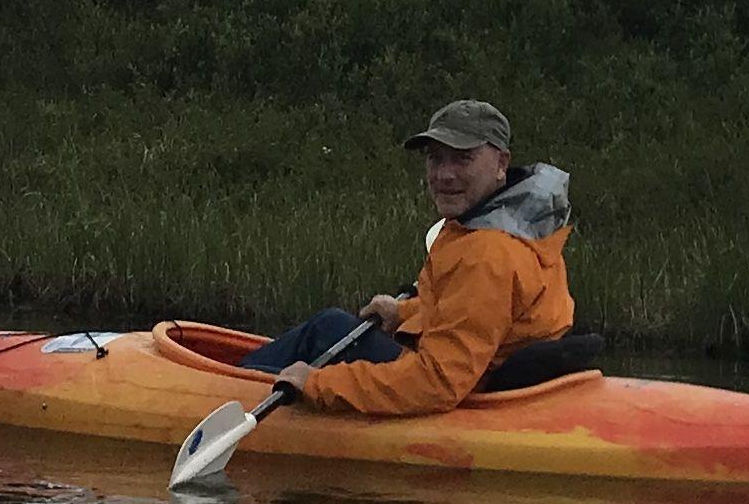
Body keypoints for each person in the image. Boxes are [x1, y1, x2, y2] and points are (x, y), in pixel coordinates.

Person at [244, 99, 590, 418]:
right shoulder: (515, 223)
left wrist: (316, 384)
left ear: (501, 162)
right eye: (436, 158)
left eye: (462, 158)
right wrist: (405, 314)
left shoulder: (487, 253)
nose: (444, 174)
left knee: (327, 329)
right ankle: (244, 376)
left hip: (464, 391)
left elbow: (438, 383)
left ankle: (230, 388)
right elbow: (475, 314)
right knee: (331, 327)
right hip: (484, 373)